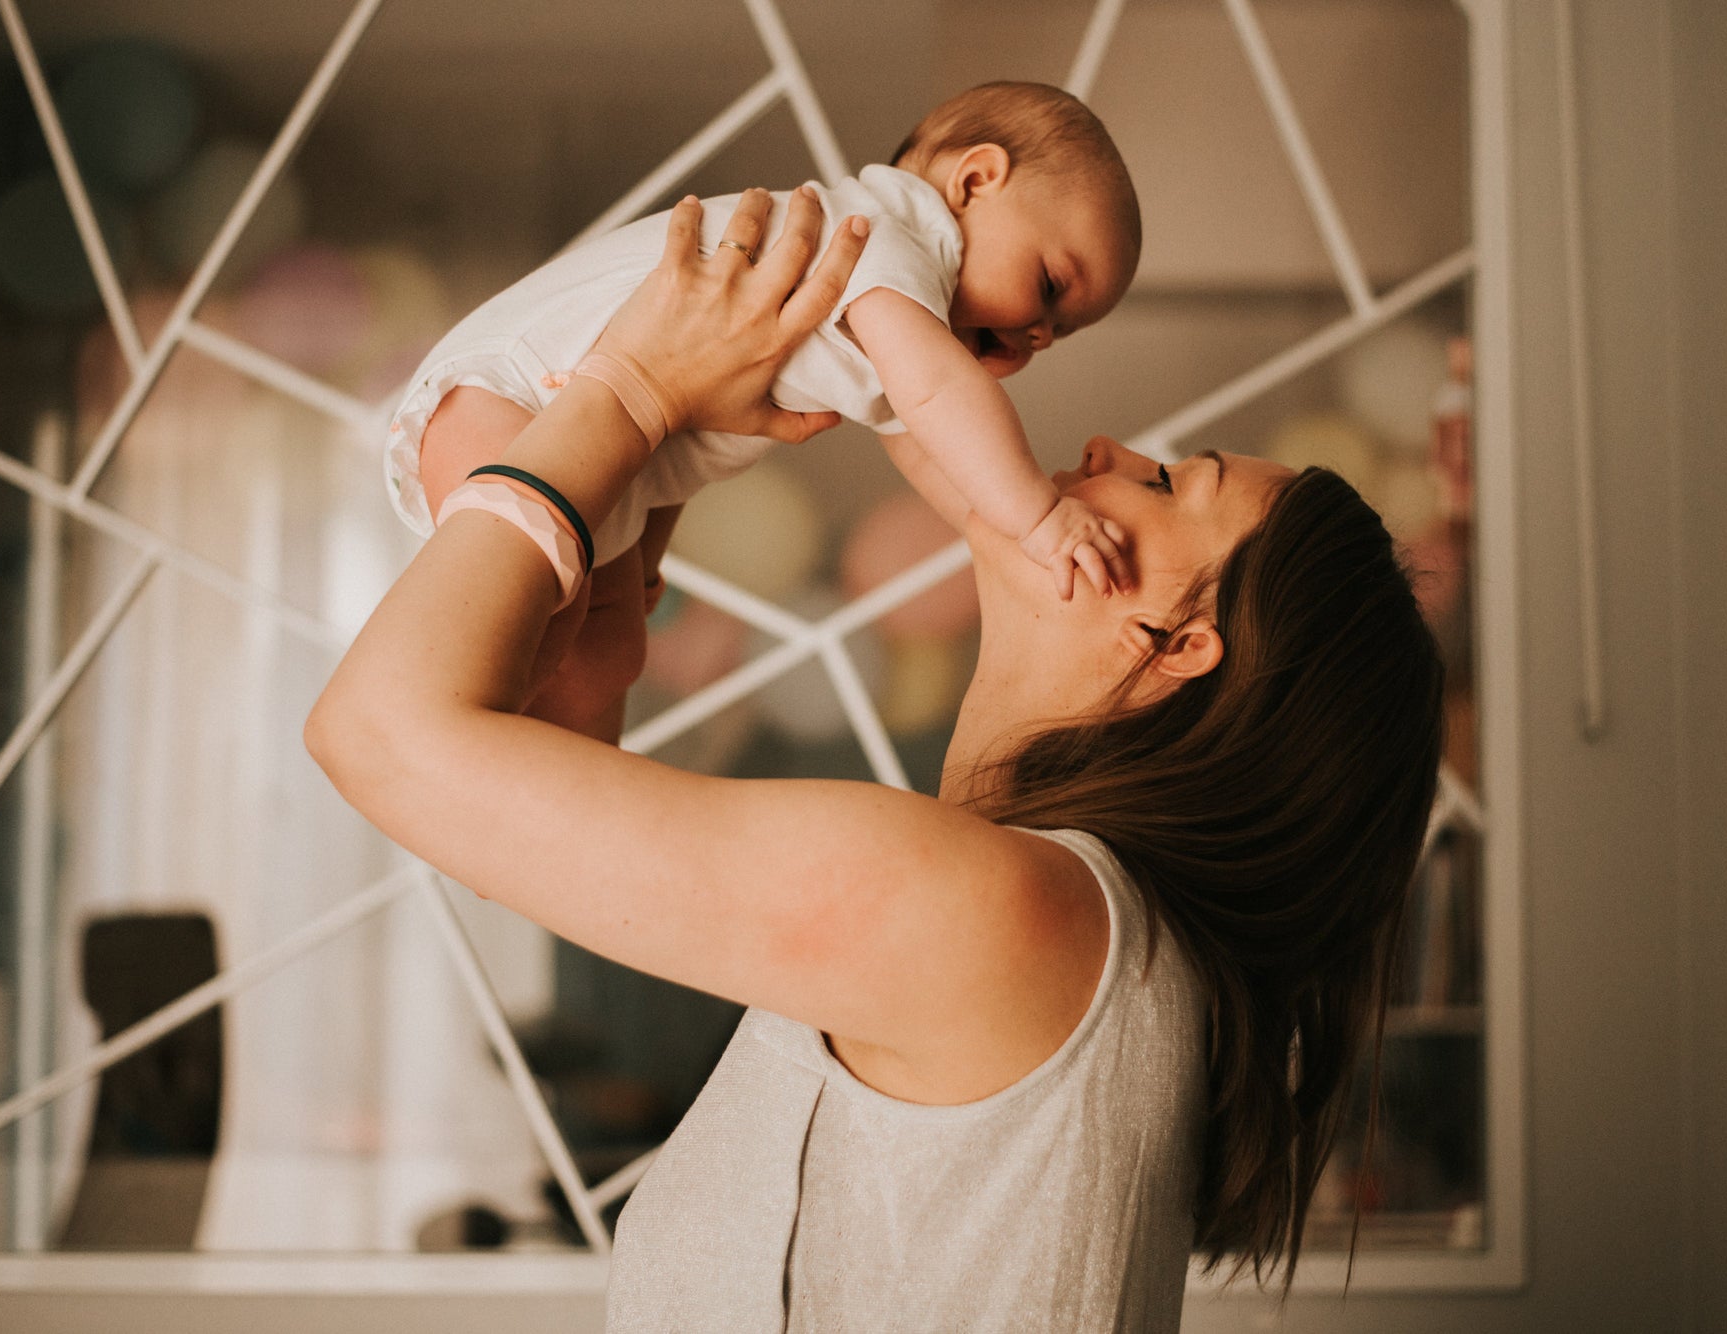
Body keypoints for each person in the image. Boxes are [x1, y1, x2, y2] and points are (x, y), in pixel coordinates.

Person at [308, 187, 1445, 1329]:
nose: (1105, 447)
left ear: (1175, 644)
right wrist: (625, 539)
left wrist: (632, 394)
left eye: (1161, 486)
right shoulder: (1047, 923)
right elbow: (498, 825)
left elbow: (380, 735)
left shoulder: (998, 914)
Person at [383, 82, 1143, 745]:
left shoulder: (896, 325)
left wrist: (1004, 541)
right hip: (513, 398)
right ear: (974, 180)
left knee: (607, 661)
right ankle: (475, 773)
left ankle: (539, 804)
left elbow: (929, 443)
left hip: (583, 438)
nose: (1041, 333)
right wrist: (1040, 518)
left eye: (1061, 332)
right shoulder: (885, 235)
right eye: (1050, 286)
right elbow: (942, 398)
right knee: (509, 661)